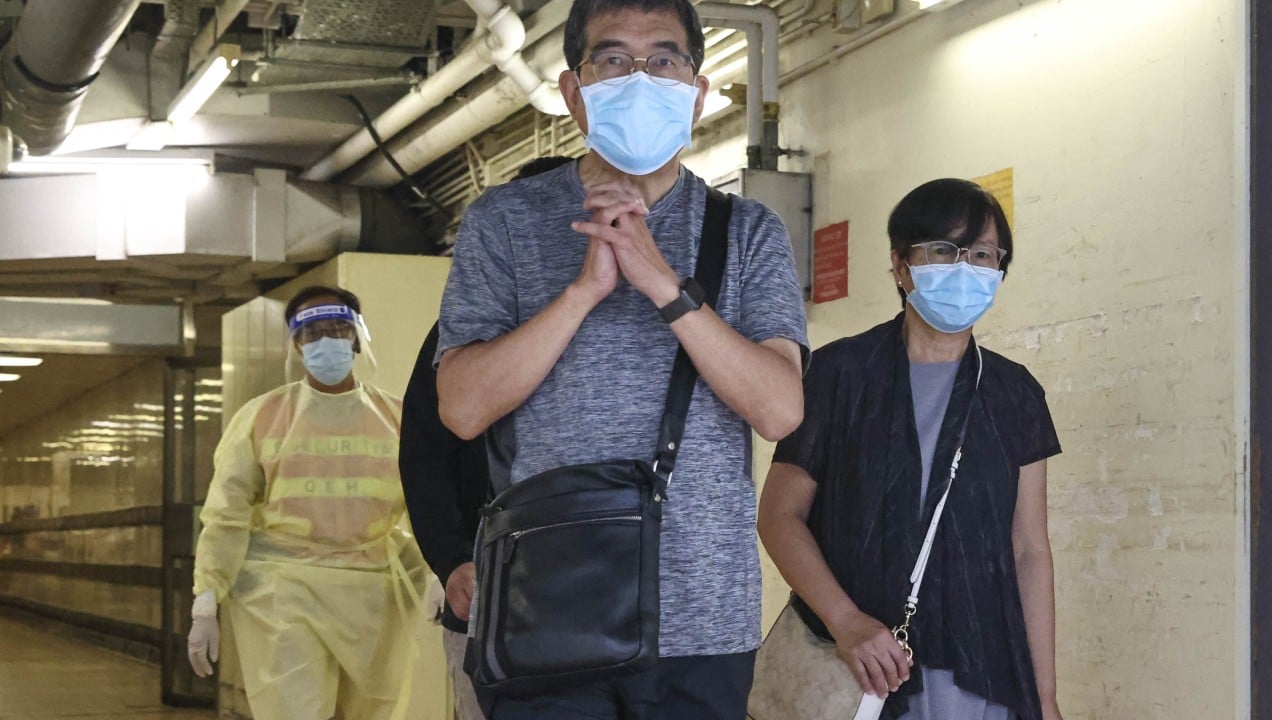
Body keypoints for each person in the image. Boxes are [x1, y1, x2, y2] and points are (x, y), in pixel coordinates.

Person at [432, 0, 811, 714]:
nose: (641, 78)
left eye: (664, 60)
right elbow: (461, 407)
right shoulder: (503, 222)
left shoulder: (748, 231)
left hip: (703, 621)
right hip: (546, 608)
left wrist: (663, 284)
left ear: (697, 93)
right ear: (573, 93)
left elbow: (779, 409)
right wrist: (582, 293)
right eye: (613, 60)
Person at [758, 178, 1063, 720]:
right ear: (900, 265)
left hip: (982, 675)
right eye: (943, 250)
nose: (963, 268)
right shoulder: (839, 375)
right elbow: (780, 517)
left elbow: (1029, 551)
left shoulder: (1014, 394)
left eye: (983, 255)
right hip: (859, 671)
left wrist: (1044, 699)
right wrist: (846, 621)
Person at [187, 285, 427, 720]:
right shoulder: (262, 418)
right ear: (296, 345)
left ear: (357, 337)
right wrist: (207, 595)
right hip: (284, 591)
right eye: (313, 333)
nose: (326, 341)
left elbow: (428, 504)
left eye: (337, 328)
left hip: (375, 597)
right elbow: (227, 513)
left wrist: (445, 570)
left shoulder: (399, 419)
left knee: (371, 713)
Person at [399, 155, 576, 720]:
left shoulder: (629, 320)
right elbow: (425, 458)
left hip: (612, 596)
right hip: (489, 592)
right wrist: (450, 559)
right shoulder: (457, 340)